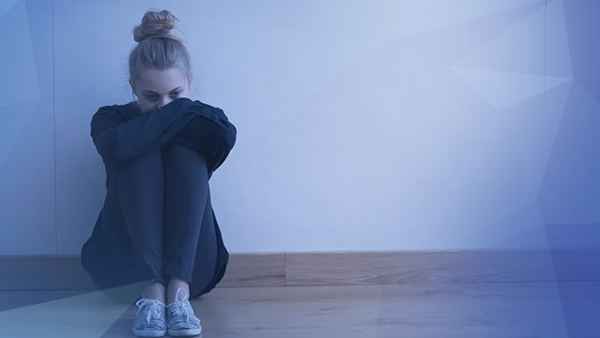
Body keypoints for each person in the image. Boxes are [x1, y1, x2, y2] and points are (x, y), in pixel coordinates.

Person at [80, 9, 237, 337]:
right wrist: (182, 111)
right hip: (121, 271)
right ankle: (151, 291)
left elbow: (225, 136)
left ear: (189, 82)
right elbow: (115, 147)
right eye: (151, 97)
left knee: (182, 151)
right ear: (133, 85)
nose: (164, 106)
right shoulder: (109, 118)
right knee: (139, 152)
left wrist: (158, 119)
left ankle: (177, 290)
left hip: (197, 267)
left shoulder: (210, 122)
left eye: (176, 96)